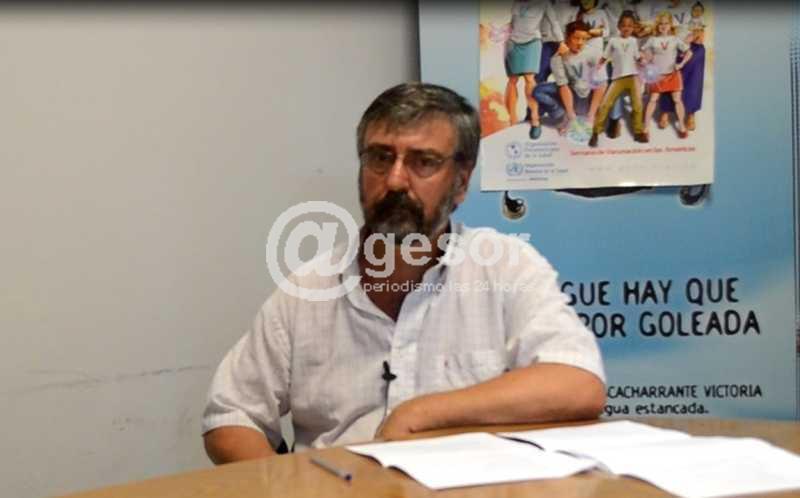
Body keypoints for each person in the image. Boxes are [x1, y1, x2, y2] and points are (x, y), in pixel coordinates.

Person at [202, 82, 606, 463]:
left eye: (423, 162)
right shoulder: (307, 290)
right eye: (380, 158)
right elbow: (231, 414)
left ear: (461, 182)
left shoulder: (506, 266)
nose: (395, 181)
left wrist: (423, 413)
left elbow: (578, 381)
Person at [534, 20, 623, 136]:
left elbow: (601, 85)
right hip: (573, 97)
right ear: (567, 37)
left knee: (616, 86)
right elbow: (563, 86)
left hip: (590, 97)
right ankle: (563, 116)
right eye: (576, 38)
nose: (580, 42)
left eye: (584, 39)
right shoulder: (557, 58)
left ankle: (609, 121)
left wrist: (591, 116)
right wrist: (572, 117)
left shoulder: (594, 54)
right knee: (538, 90)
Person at [504, 0, 566, 139]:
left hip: (532, 42)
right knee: (512, 80)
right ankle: (512, 119)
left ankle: (535, 120)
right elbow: (513, 22)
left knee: (530, 79)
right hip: (512, 43)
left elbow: (554, 22)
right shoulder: (516, 3)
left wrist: (561, 42)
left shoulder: (544, 3)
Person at [589, 10, 647, 147]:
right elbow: (604, 56)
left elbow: (637, 56)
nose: (627, 28)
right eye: (624, 25)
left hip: (632, 76)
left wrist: (642, 61)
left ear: (633, 28)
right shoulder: (613, 41)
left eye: (630, 26)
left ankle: (638, 132)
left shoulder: (633, 41)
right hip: (618, 78)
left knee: (637, 105)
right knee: (605, 105)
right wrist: (598, 67)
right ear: (619, 27)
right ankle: (595, 133)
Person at [641, 11, 692, 139]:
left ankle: (682, 126)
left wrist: (681, 64)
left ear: (670, 25)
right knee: (652, 100)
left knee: (677, 100)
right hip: (657, 75)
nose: (663, 26)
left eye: (666, 23)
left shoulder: (675, 39)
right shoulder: (653, 40)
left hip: (672, 74)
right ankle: (646, 128)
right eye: (661, 24)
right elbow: (642, 53)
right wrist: (645, 61)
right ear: (657, 25)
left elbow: (689, 52)